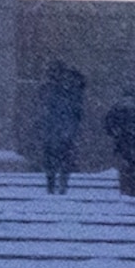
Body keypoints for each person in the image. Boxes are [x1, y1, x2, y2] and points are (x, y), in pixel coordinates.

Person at [37, 59, 88, 194]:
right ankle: (60, 183)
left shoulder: (51, 89)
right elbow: (77, 108)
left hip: (55, 130)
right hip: (64, 129)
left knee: (53, 159)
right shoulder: (69, 89)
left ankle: (53, 184)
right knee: (63, 158)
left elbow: (43, 108)